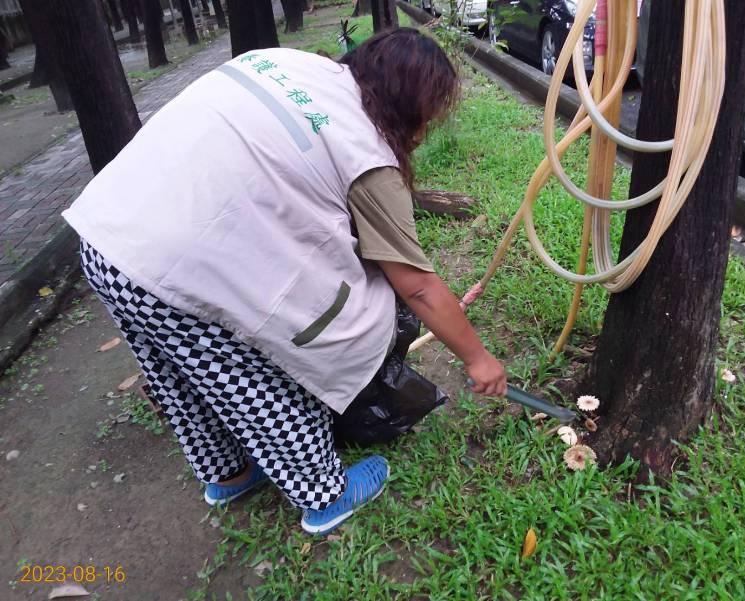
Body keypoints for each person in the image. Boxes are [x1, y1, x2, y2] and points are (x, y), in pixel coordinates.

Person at [62, 28, 507, 536]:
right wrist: (479, 358)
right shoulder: (364, 150)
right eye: (428, 119)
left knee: (173, 372)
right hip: (172, 266)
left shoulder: (285, 65)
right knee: (257, 378)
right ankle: (325, 496)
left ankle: (228, 475)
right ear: (412, 107)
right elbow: (419, 286)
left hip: (105, 237)